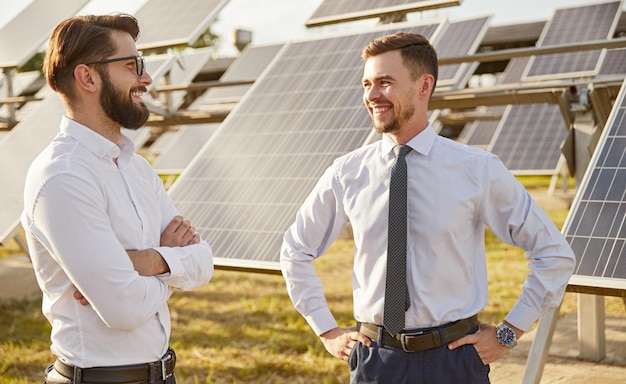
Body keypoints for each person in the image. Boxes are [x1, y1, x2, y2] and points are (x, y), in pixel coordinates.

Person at [279, 32, 575, 383]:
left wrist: (508, 333)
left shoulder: (477, 169)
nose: (372, 95)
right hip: (376, 362)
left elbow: (554, 255)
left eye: (385, 83)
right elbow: (294, 251)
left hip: (455, 363)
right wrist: (326, 330)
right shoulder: (347, 173)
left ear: (424, 86)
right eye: (367, 84)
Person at [21, 14, 214, 384]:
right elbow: (123, 309)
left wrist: (145, 261)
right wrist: (173, 265)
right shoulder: (62, 176)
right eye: (133, 65)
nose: (146, 78)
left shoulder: (136, 168)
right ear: (88, 77)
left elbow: (204, 262)